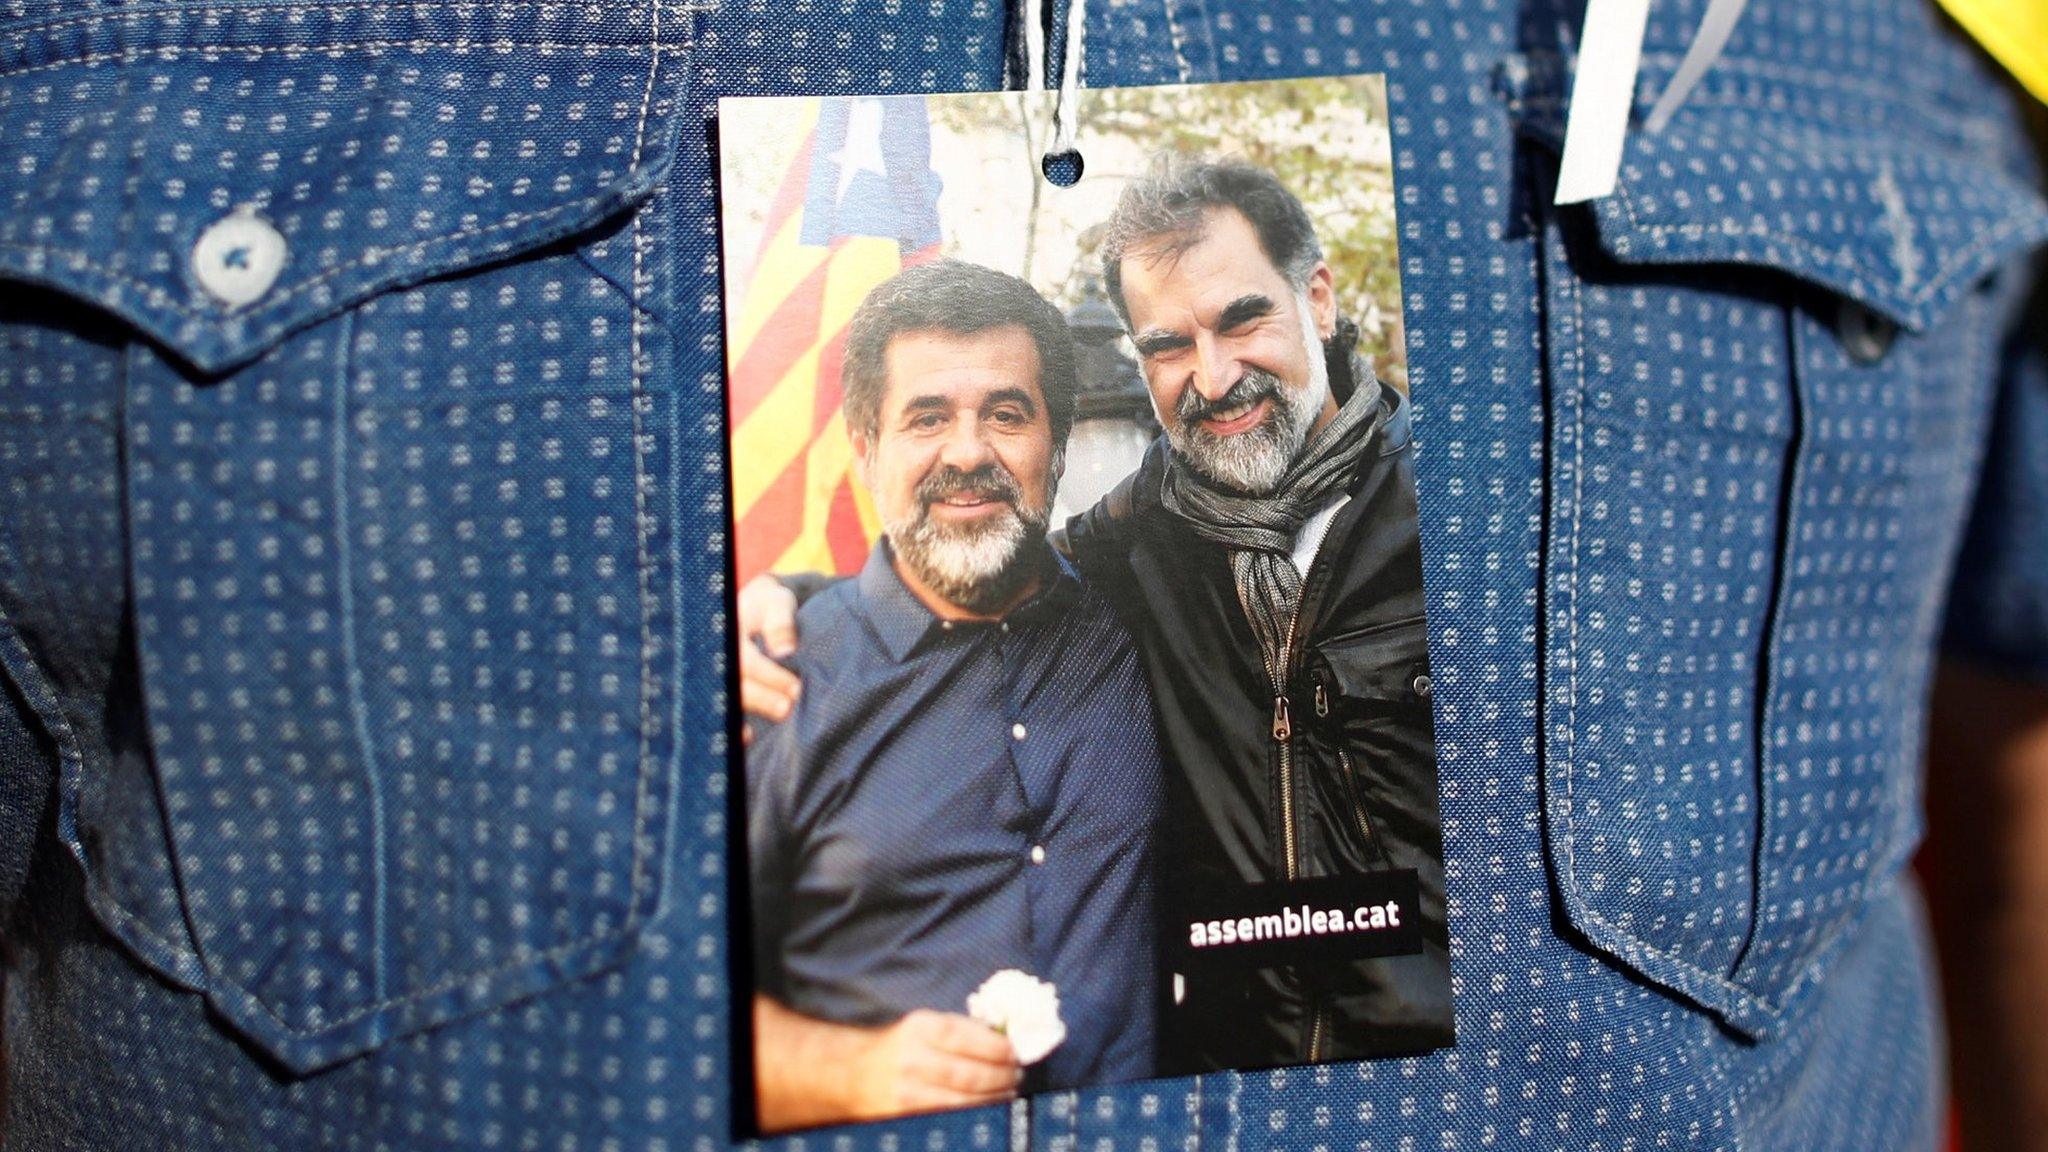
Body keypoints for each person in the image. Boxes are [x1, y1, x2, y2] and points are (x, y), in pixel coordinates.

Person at [741, 158, 1453, 1069]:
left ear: (1316, 299)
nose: (1214, 373)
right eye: (1167, 346)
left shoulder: (1476, 515)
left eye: (1243, 319)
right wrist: (790, 607)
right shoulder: (1131, 553)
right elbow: (975, 558)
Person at [745, 259, 1163, 1131]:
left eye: (1007, 415)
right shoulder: (770, 683)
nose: (968, 453)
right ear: (867, 449)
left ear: (1057, 445)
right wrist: (845, 1071)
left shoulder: (1141, 621)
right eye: (926, 417)